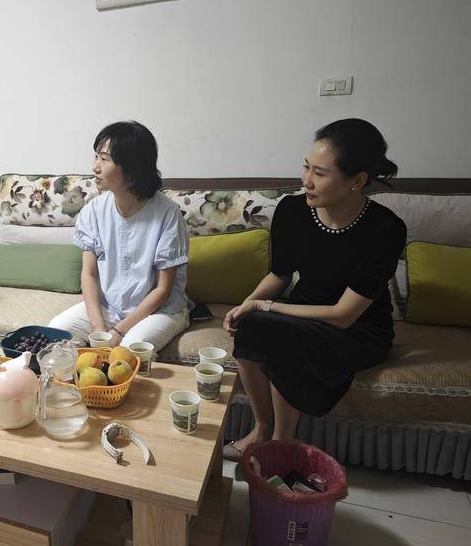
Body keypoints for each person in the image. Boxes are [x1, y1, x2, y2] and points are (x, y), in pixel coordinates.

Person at [221, 119, 407, 461]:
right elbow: (279, 275)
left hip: (358, 329)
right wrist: (247, 305)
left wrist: (266, 306)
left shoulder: (385, 229)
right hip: (302, 312)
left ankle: (282, 444)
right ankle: (261, 429)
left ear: (357, 181)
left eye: (319, 173)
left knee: (283, 336)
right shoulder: (292, 210)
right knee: (251, 326)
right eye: (306, 167)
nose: (306, 180)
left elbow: (343, 315)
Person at [49, 121, 191, 352]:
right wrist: (98, 327)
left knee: (128, 351)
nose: (95, 167)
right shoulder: (94, 210)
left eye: (104, 159)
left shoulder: (167, 214)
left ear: (132, 167)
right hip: (108, 307)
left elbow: (162, 290)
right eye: (96, 157)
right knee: (54, 336)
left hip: (158, 310)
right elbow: (89, 274)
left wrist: (119, 330)